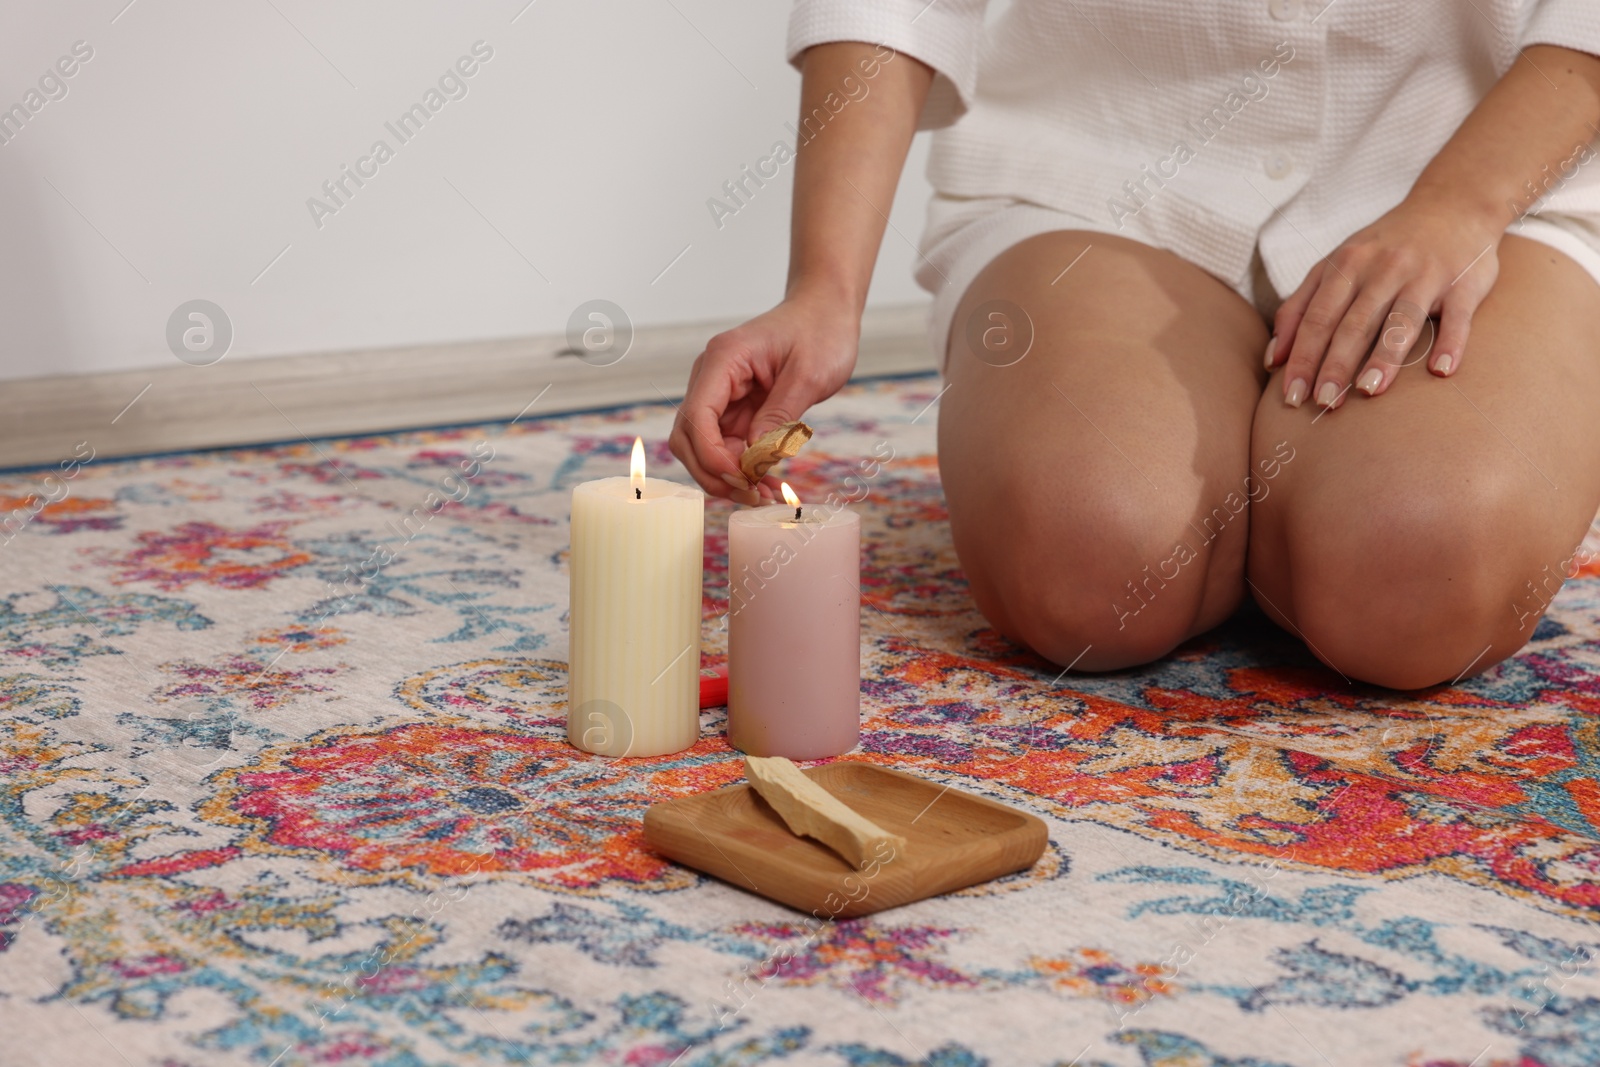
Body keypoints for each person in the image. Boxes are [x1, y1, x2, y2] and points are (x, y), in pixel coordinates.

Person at [668, 1, 1600, 689]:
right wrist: (824, 290)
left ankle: (1279, 521)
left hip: (1496, 188)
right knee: (1088, 566)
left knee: (1412, 570)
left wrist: (1459, 206)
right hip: (1108, 174)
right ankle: (1252, 518)